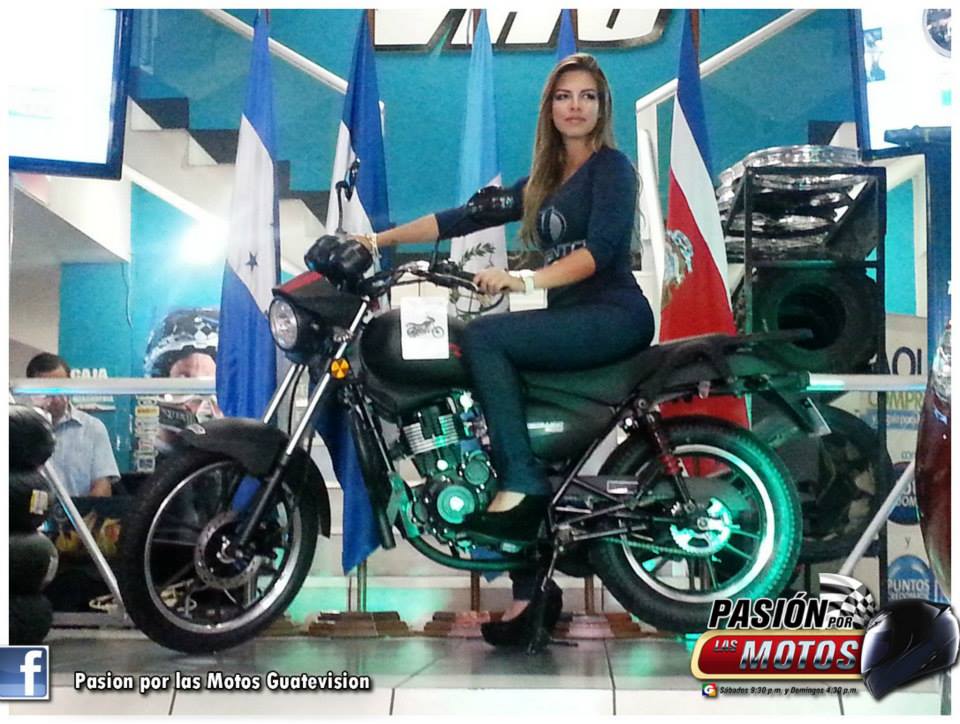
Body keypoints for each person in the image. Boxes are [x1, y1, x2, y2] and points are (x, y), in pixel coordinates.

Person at [354, 54, 656, 646]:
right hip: (569, 318)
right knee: (496, 422)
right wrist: (376, 240)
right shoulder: (543, 183)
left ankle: (523, 482)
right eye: (564, 96)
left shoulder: (612, 169)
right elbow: (462, 218)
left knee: (485, 336)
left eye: (587, 96)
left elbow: (598, 253)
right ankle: (528, 599)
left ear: (602, 107)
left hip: (613, 314)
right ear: (549, 109)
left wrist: (524, 280)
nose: (575, 106)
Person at [26, 353, 120, 498]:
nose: (57, 399)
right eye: (47, 392)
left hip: (79, 511)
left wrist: (85, 511)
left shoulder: (93, 429)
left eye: (62, 389)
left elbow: (102, 486)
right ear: (30, 391)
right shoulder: (18, 430)